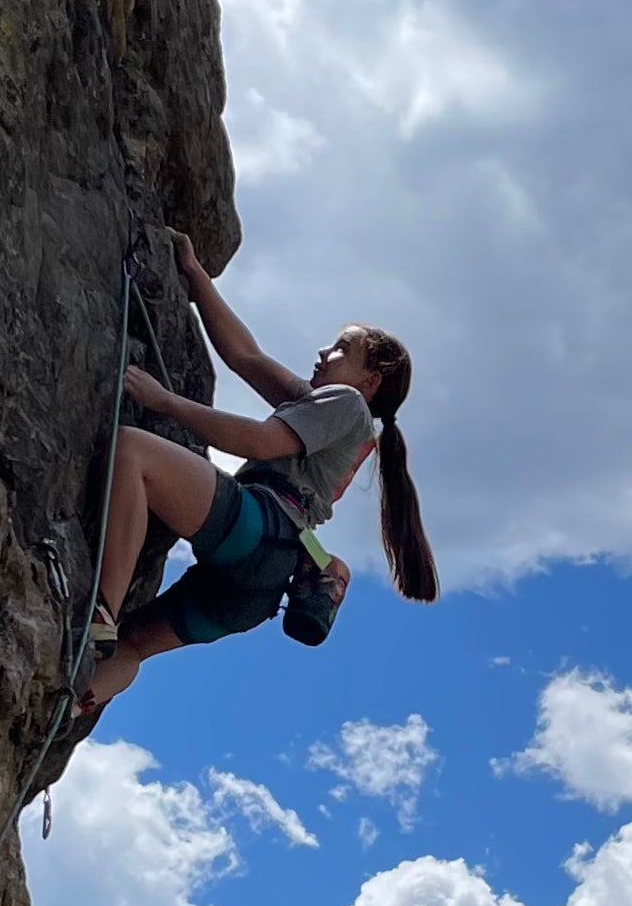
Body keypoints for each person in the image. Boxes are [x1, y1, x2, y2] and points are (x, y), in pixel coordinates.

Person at [76, 235, 437, 715]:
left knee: (134, 452)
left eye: (341, 350)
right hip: (257, 590)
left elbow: (262, 443)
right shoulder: (330, 410)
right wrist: (196, 276)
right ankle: (67, 707)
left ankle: (102, 610)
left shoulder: (345, 404)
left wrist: (167, 403)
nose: (323, 352)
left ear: (370, 381)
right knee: (135, 645)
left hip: (260, 531)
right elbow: (244, 356)